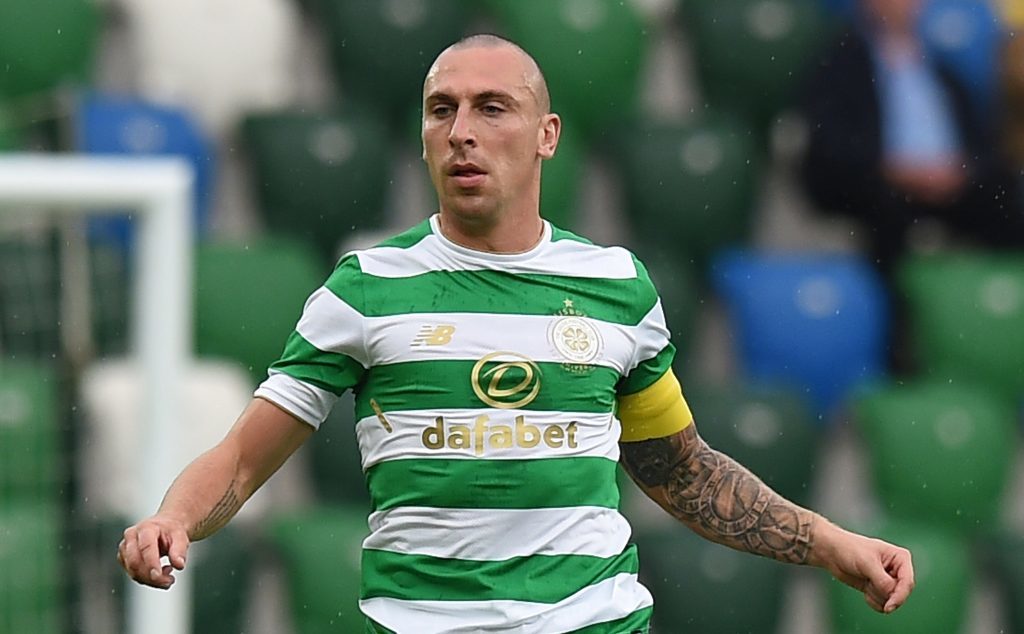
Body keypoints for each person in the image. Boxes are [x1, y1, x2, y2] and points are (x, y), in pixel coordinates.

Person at [118, 33, 914, 632]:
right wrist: (173, 518)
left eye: (492, 108)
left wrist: (831, 543)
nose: (462, 130)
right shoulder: (364, 288)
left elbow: (686, 476)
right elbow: (243, 458)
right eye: (442, 109)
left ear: (547, 134)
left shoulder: (616, 286)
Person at [799, 0, 1024, 276]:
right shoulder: (840, 64)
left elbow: (982, 143)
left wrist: (959, 172)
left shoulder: (943, 71)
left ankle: (1001, 304)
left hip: (950, 185)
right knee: (887, 218)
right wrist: (894, 170)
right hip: (882, 187)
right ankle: (897, 313)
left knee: (1005, 199)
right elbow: (831, 142)